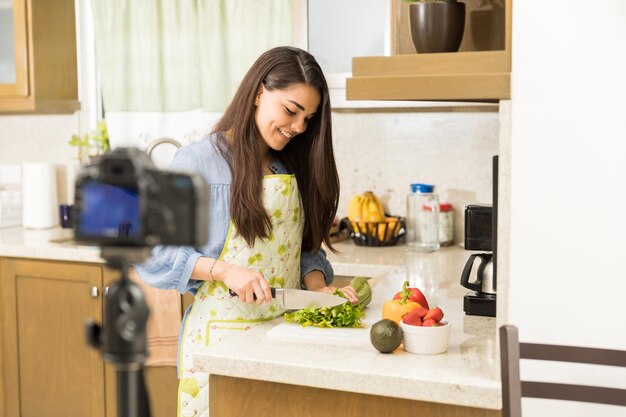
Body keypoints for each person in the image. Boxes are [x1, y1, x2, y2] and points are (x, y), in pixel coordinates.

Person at [134, 46, 358, 416]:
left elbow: (301, 249)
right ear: (258, 93)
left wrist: (319, 288)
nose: (299, 127)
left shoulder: (289, 165)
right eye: (291, 110)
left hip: (283, 338)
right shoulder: (198, 162)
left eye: (308, 118)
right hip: (218, 349)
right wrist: (222, 270)